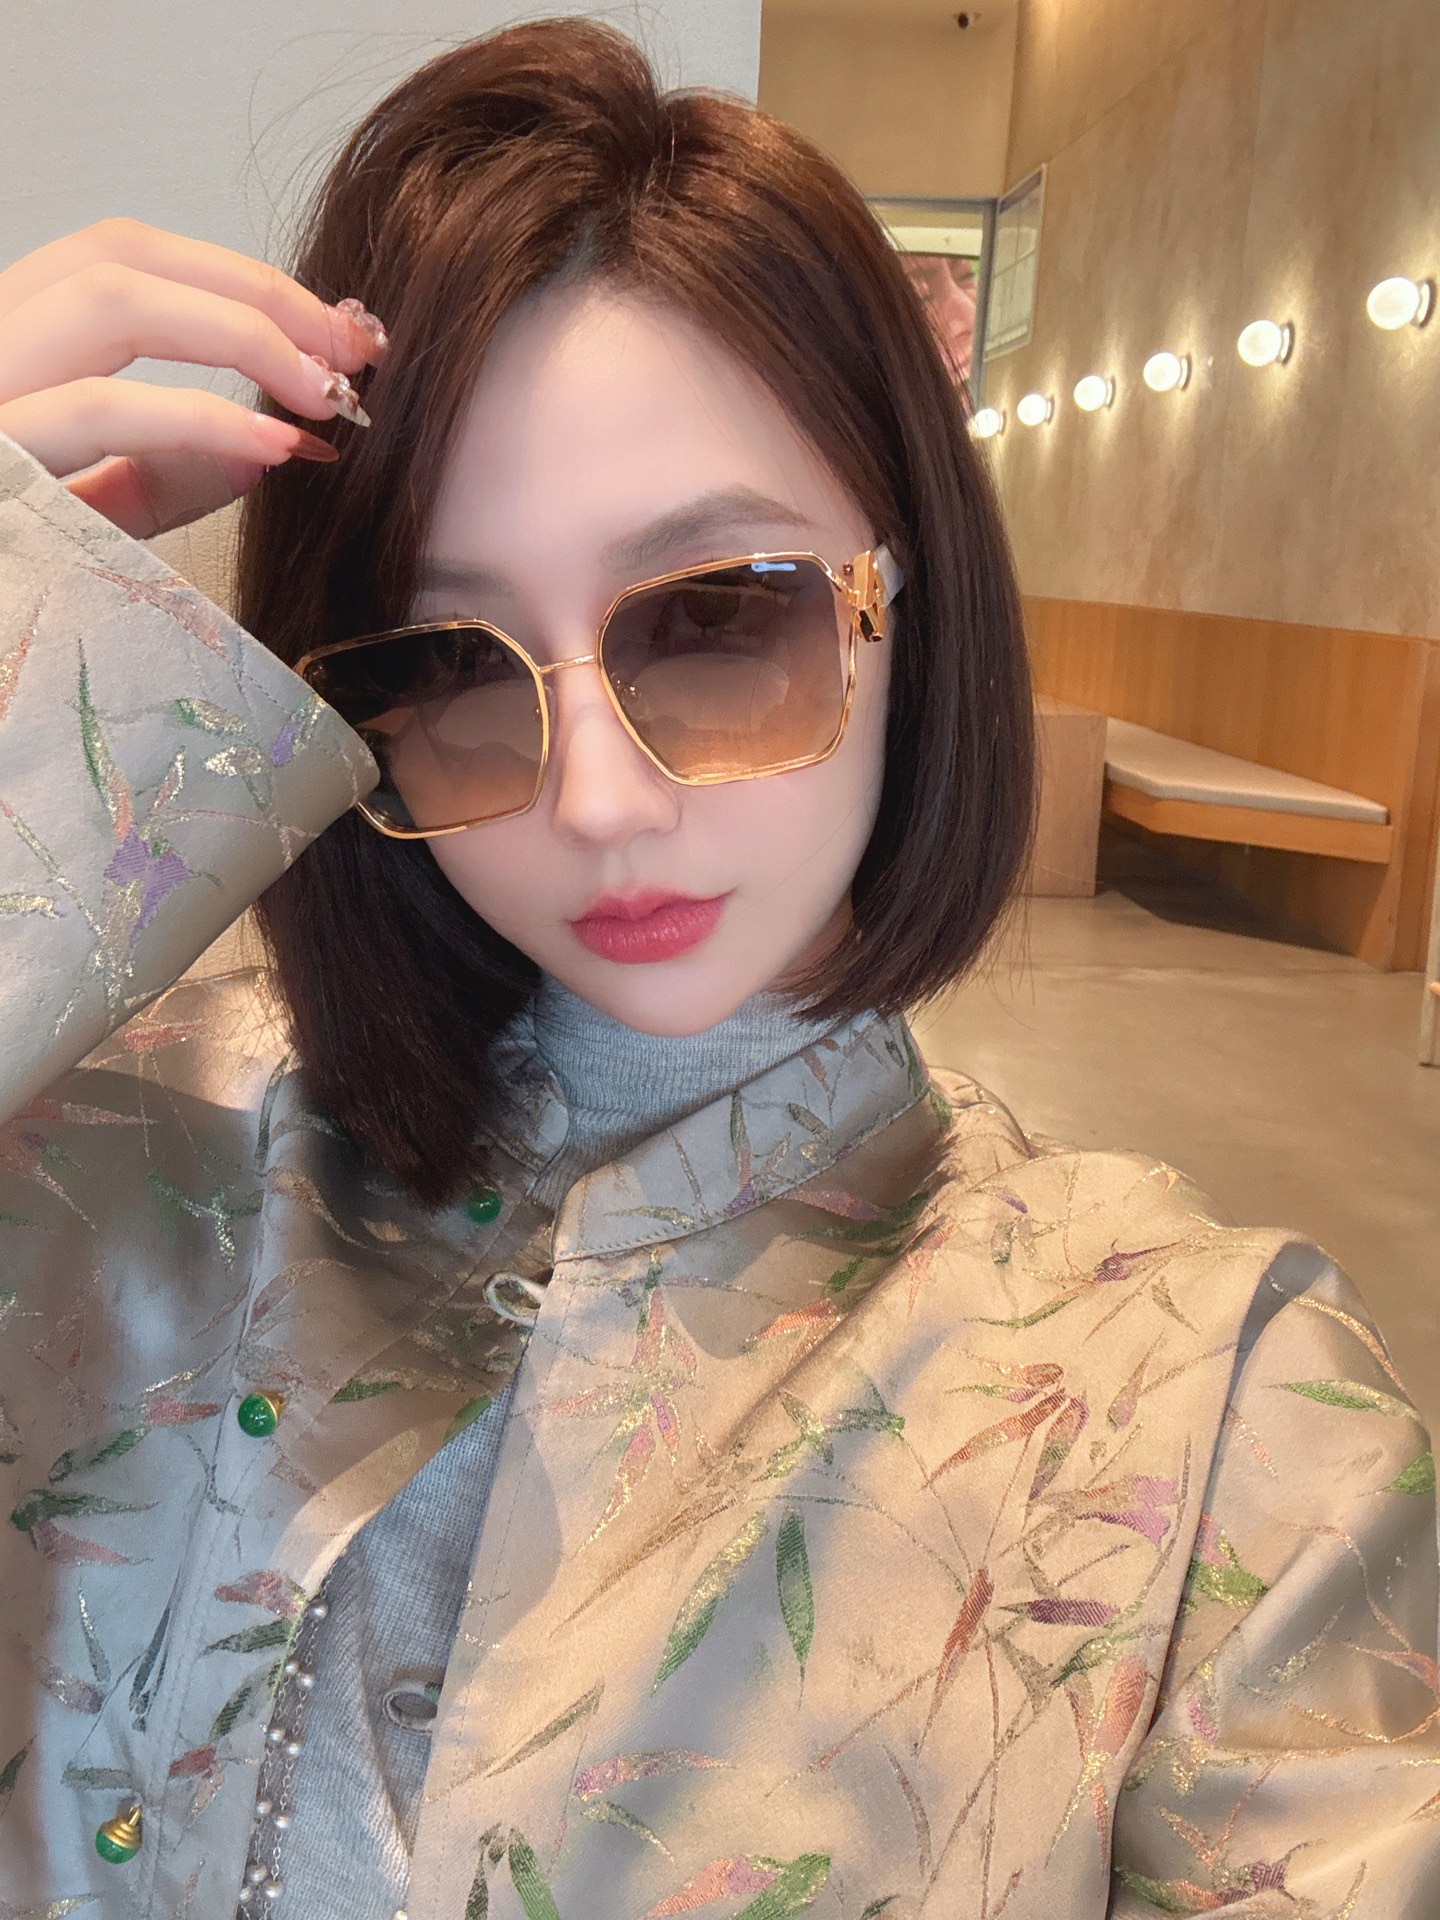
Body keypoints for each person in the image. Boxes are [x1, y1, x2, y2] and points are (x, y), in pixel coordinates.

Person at [0, 21, 1435, 1920]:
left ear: (910, 590)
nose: (596, 801)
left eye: (717, 620)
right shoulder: (96, 1139)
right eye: (449, 665)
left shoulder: (1198, 1416)